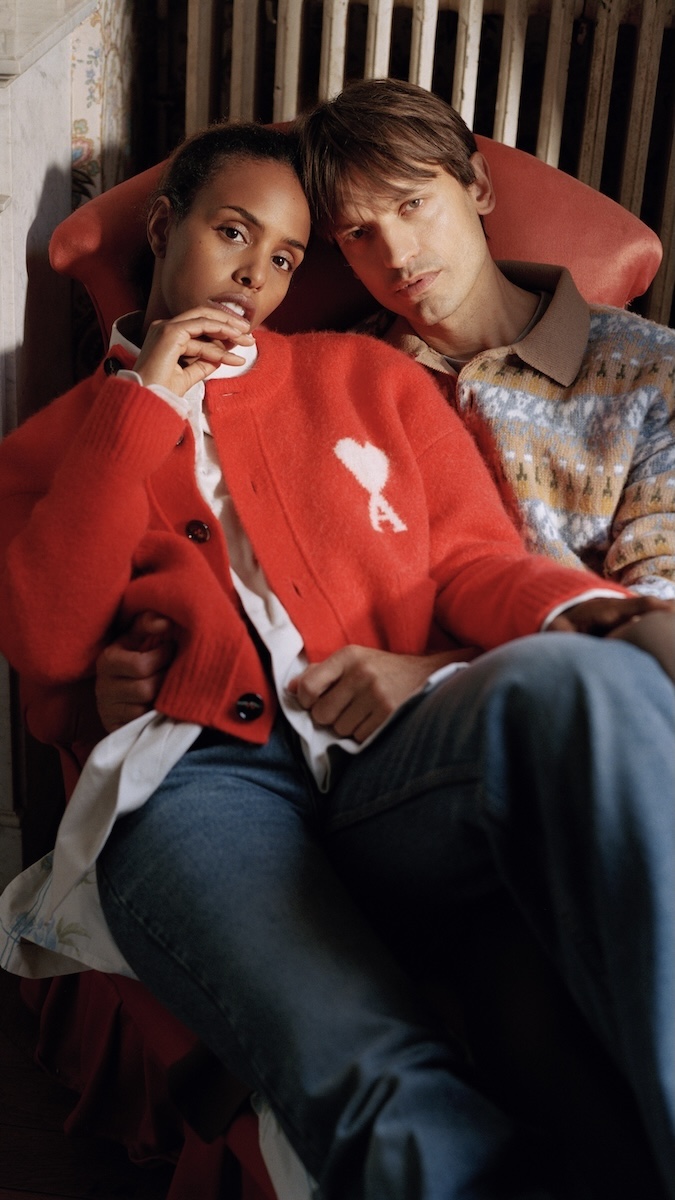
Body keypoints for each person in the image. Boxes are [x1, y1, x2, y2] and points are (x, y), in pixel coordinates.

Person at [1, 119, 674, 1200]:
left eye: (284, 259)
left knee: (582, 684)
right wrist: (139, 408)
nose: (255, 277)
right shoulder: (49, 446)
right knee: (377, 1081)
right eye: (233, 233)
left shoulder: (369, 376)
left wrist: (608, 618)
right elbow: (44, 645)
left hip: (392, 752)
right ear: (165, 229)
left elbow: (473, 563)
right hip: (197, 789)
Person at [296, 77, 675, 601]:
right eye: (358, 233)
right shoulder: (334, 382)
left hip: (600, 646)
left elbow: (663, 593)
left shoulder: (653, 367)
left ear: (477, 185)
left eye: (412, 204)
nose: (398, 256)